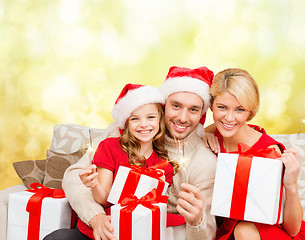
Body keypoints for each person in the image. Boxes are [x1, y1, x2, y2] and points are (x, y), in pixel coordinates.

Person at [44, 66, 218, 240]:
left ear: (201, 113)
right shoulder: (123, 134)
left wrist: (196, 222)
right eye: (176, 106)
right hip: (106, 228)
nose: (182, 117)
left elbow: (207, 231)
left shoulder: (203, 160)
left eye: (193, 109)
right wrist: (95, 217)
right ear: (163, 106)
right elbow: (74, 177)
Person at [203, 68, 305, 240]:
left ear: (250, 111)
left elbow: (292, 230)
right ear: (211, 105)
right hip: (231, 230)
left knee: (244, 228)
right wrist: (202, 135)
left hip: (273, 233)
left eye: (240, 110)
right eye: (222, 107)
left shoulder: (268, 152)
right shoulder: (213, 133)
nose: (229, 118)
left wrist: (291, 185)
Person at [78, 83, 177, 239]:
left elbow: (150, 211)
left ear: (160, 120)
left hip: (135, 231)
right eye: (135, 119)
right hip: (104, 228)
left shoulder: (164, 167)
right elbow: (104, 200)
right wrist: (94, 184)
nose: (143, 124)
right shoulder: (110, 147)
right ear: (126, 123)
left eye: (150, 117)